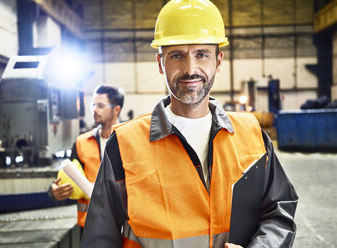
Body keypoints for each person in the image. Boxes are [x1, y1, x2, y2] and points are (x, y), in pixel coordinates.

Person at [81, 1, 298, 247]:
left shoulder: (253, 136)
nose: (190, 69)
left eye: (201, 54)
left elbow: (279, 213)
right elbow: (99, 239)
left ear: (218, 61)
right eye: (176, 55)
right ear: (160, 63)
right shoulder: (123, 145)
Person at [49, 85, 124, 230]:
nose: (94, 110)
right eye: (93, 105)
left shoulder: (130, 140)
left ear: (116, 110)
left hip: (123, 224)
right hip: (91, 225)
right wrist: (54, 191)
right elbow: (68, 176)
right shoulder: (81, 142)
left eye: (100, 106)